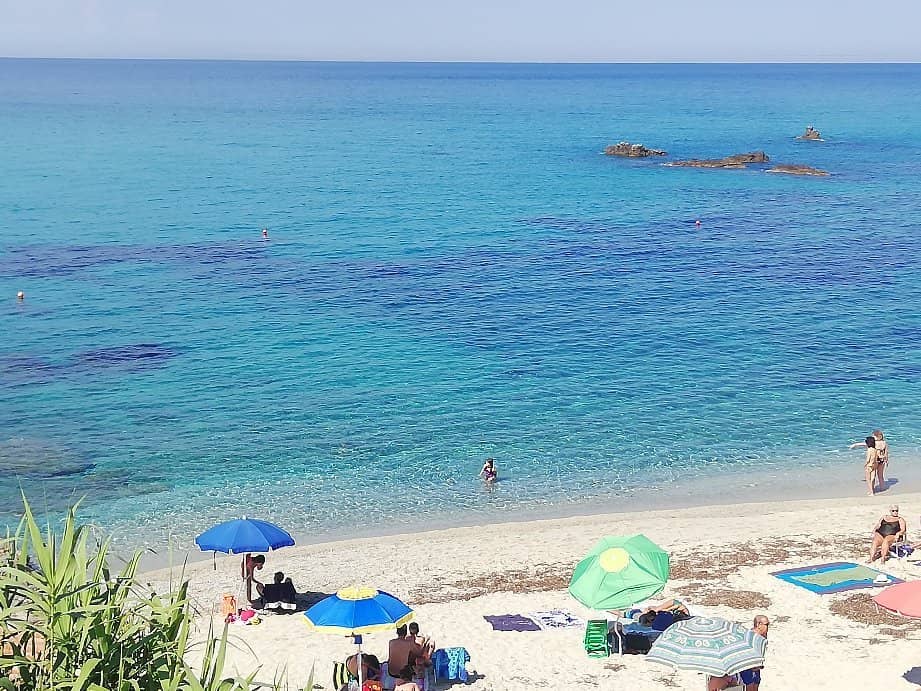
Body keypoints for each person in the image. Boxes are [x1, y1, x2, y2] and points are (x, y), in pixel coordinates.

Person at [739, 615, 770, 690]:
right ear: (759, 624)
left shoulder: (763, 635)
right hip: (747, 668)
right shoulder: (751, 636)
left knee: (756, 685)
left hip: (756, 667)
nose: (768, 627)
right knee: (750, 687)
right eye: (766, 624)